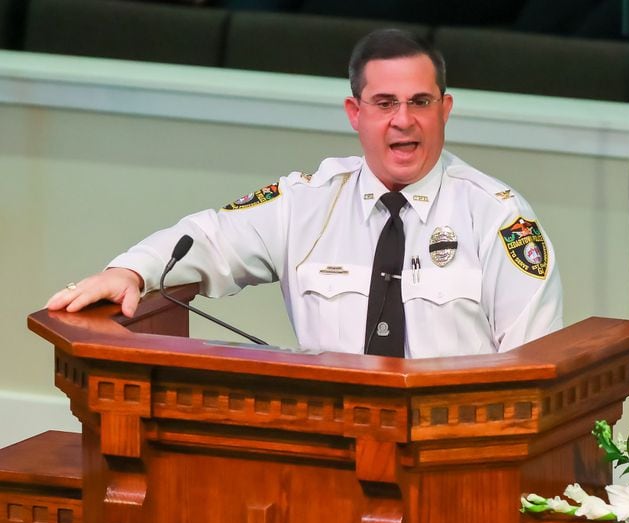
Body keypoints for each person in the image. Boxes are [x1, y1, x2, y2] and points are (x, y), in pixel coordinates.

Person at [46, 29, 563, 359]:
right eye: (384, 103)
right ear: (354, 114)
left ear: (445, 110)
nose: (403, 121)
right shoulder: (308, 201)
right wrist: (129, 271)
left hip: (458, 457)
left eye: (419, 102)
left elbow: (536, 365)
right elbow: (207, 239)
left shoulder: (498, 217)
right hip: (328, 451)